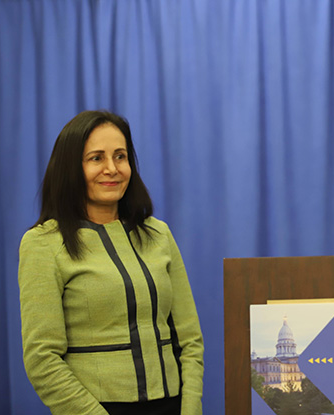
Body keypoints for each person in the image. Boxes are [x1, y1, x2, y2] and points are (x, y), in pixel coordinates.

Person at [18, 110, 204, 415]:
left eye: (120, 156)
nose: (111, 169)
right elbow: (42, 359)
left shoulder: (159, 234)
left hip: (172, 405)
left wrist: (191, 407)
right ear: (70, 168)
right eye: (96, 158)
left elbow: (190, 341)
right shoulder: (43, 243)